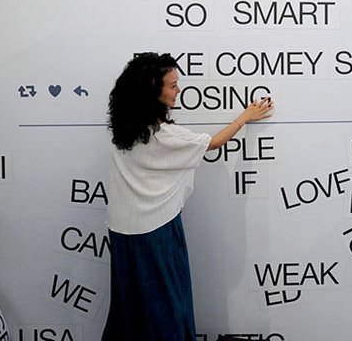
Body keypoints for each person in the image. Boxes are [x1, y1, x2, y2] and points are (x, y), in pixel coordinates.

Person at [102, 52, 273, 341]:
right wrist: (246, 116)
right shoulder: (163, 136)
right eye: (172, 85)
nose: (178, 90)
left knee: (129, 308)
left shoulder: (125, 129)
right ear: (153, 92)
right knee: (165, 304)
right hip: (154, 231)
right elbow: (213, 142)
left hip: (121, 229)